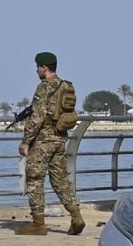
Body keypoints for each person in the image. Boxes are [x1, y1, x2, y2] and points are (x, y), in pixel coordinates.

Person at [17, 52, 85, 236]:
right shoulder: (66, 86)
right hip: (60, 138)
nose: (36, 70)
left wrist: (25, 141)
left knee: (34, 179)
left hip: (43, 141)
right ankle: (76, 216)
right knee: (60, 179)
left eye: (38, 67)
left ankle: (38, 224)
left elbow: (37, 117)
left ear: (44, 68)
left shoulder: (44, 87)